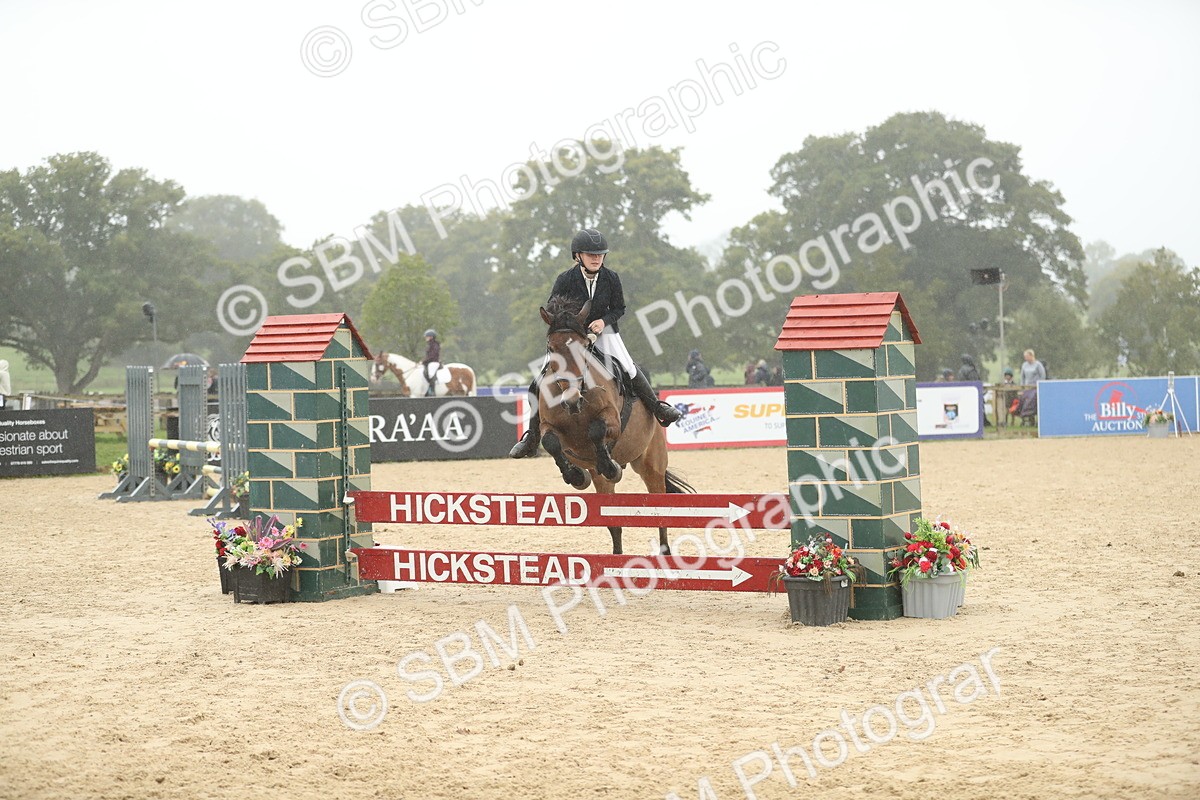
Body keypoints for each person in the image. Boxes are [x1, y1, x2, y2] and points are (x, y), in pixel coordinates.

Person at [509, 228, 683, 458]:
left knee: (629, 367)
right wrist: (574, 326)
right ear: (577, 256)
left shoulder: (611, 278)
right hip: (573, 338)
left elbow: (619, 308)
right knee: (540, 379)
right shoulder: (565, 279)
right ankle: (531, 437)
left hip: (606, 333)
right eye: (590, 254)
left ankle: (657, 407)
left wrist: (603, 321)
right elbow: (553, 307)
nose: (596, 258)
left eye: (600, 254)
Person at [421, 329, 441, 396]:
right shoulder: (430, 345)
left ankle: (432, 391)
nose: (425, 338)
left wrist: (424, 361)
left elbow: (432, 356)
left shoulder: (435, 345)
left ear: (431, 337)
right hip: (429, 362)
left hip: (434, 362)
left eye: (427, 336)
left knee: (430, 374)